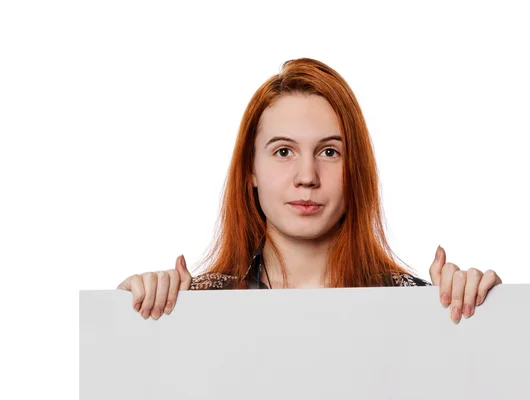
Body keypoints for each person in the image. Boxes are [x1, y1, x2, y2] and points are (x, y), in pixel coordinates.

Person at [117, 58, 502, 324]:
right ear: (250, 169)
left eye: (329, 152)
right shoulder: (192, 309)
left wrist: (485, 313)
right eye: (283, 151)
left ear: (357, 170)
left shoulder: (419, 307)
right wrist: (128, 315)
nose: (307, 176)